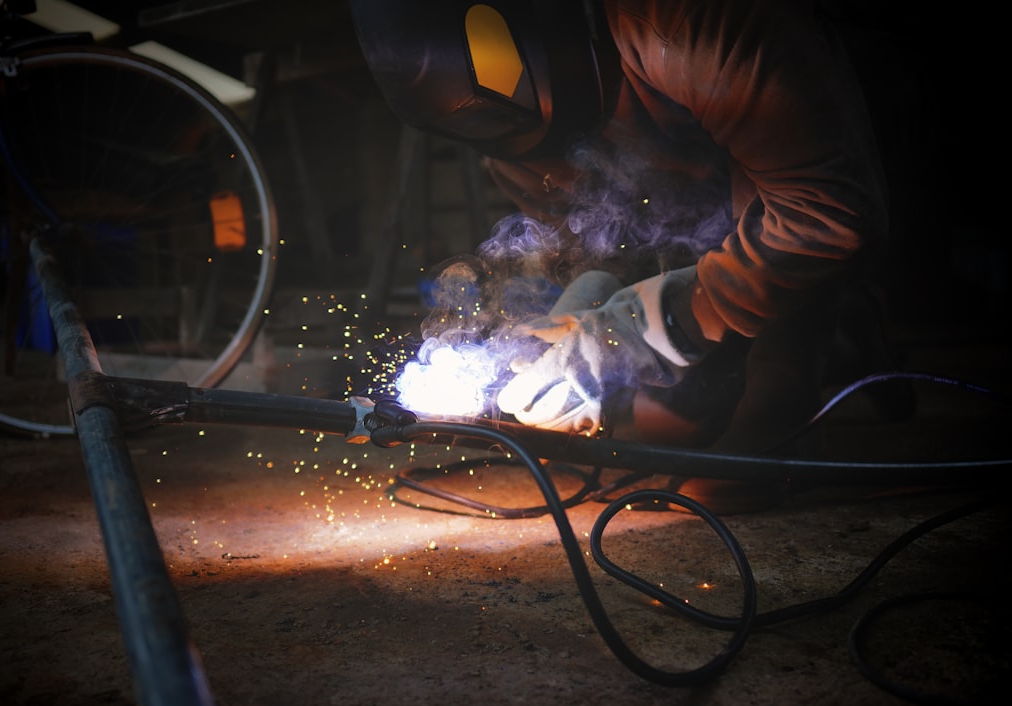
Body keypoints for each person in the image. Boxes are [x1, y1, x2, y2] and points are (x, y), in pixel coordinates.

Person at [349, 0, 907, 512]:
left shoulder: (692, 21)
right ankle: (832, 330)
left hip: (811, 172)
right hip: (705, 239)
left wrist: (634, 331)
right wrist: (580, 313)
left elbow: (826, 216)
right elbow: (596, 245)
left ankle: (794, 367)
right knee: (665, 428)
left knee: (785, 254)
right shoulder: (511, 150)